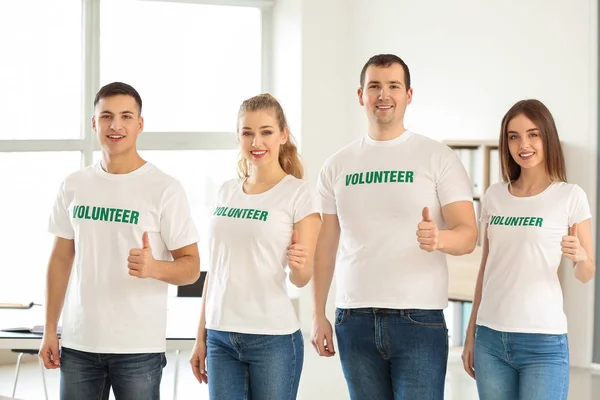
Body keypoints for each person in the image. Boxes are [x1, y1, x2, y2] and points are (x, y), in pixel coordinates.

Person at [310, 53, 478, 400]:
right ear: (361, 95)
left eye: (393, 86)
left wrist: (439, 238)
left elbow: (468, 236)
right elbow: (325, 245)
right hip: (352, 319)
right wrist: (318, 314)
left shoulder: (438, 157)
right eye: (374, 86)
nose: (383, 95)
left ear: (409, 94)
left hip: (419, 319)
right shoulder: (337, 165)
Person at [39, 82, 201, 400]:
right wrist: (49, 329)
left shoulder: (164, 188)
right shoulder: (73, 185)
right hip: (79, 344)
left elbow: (192, 268)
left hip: (138, 348)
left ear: (140, 124)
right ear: (93, 123)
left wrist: (155, 267)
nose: (116, 125)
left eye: (126, 116)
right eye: (107, 116)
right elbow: (60, 259)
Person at [189, 93, 322, 399]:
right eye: (247, 133)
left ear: (283, 135)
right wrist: (201, 335)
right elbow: (215, 270)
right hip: (220, 337)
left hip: (272, 338)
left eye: (266, 132)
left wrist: (301, 264)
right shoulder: (226, 191)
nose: (256, 142)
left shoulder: (299, 194)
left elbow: (301, 278)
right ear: (238, 136)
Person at [461, 99, 595, 400]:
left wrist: (582, 257)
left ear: (547, 136)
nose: (524, 144)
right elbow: (486, 268)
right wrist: (471, 333)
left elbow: (586, 274)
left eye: (533, 134)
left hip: (543, 343)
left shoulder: (570, 196)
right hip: (490, 340)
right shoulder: (494, 196)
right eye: (514, 136)